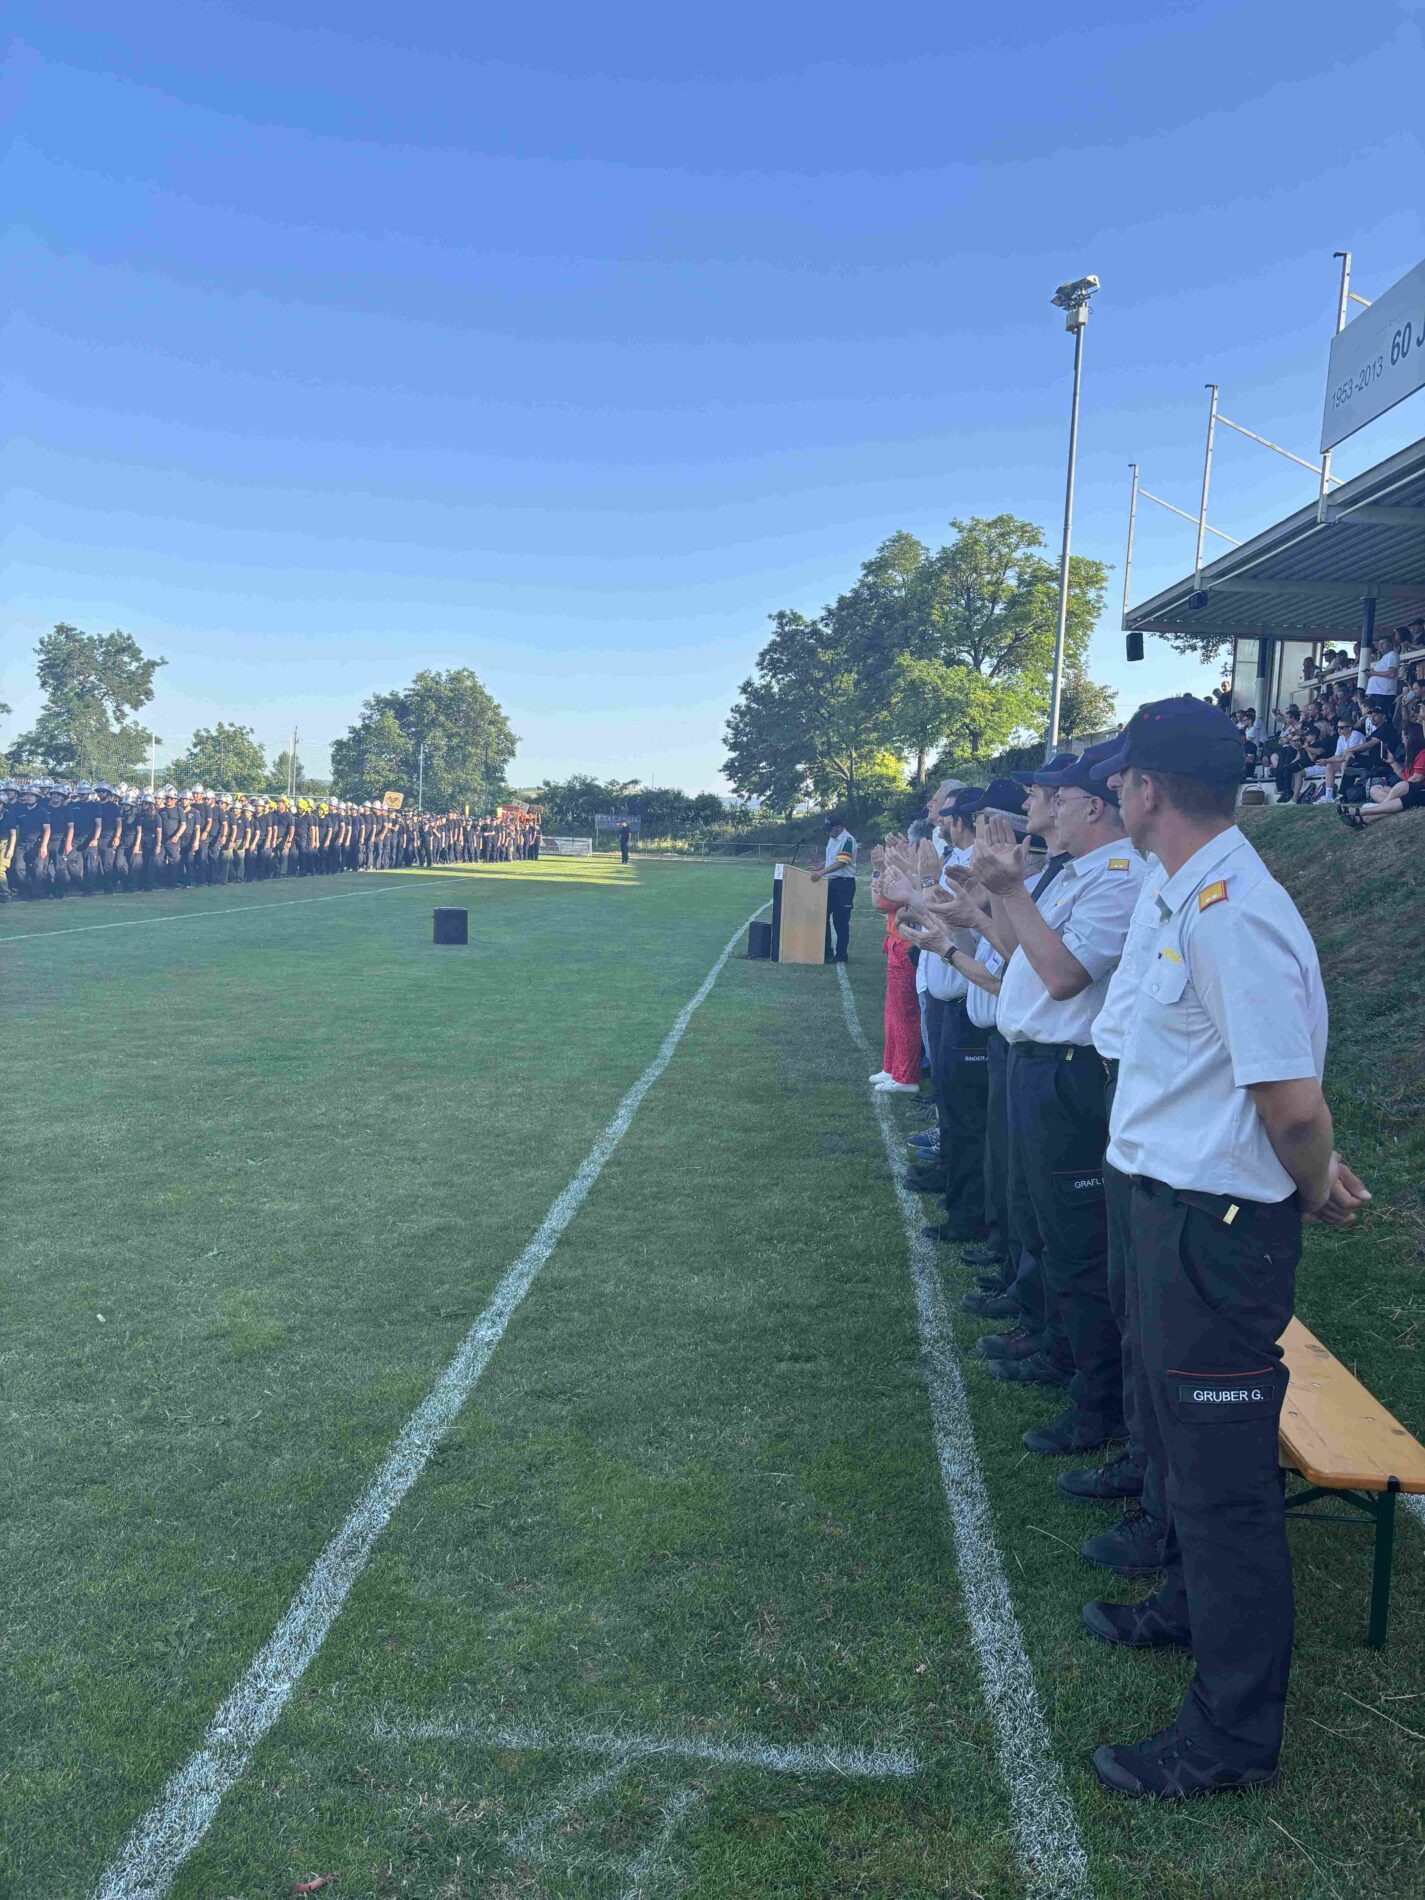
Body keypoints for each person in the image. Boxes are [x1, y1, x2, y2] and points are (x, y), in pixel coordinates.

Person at [1085, 698, 1367, 1799]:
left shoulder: (1233, 913)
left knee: (1222, 1490)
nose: (1115, 792)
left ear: (1148, 788)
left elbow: (1291, 1103)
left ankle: (1230, 1736)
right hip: (1170, 1210)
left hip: (1217, 1229)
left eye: (1122, 778)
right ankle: (1184, 1608)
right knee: (1173, 1445)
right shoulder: (1189, 891)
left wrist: (1314, 1179)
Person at [810, 813, 857, 963]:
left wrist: (821, 872)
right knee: (822, 917)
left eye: (829, 829)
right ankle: (826, 952)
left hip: (844, 884)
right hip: (830, 882)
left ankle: (841, 954)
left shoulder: (848, 840)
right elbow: (832, 859)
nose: (827, 832)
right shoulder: (833, 838)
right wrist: (820, 867)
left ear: (838, 827)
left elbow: (842, 862)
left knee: (840, 921)